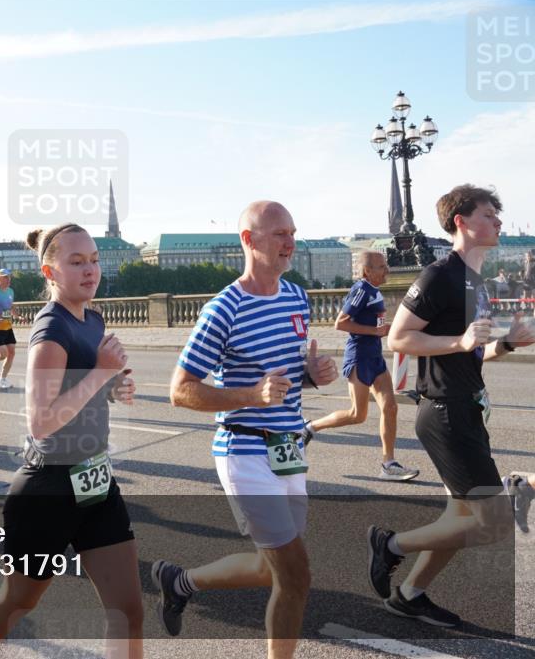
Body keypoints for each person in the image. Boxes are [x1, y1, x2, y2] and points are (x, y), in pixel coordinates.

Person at [151, 201, 337, 659]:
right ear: (248, 241)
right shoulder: (224, 309)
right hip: (245, 454)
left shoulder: (297, 297)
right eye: (278, 234)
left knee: (267, 569)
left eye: (292, 232)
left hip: (289, 450)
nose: (290, 242)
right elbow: (181, 391)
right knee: (295, 576)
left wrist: (312, 374)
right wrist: (252, 395)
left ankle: (181, 582)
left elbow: (284, 381)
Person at [0, 224, 141, 659]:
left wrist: (113, 384)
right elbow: (40, 421)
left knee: (128, 611)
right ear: (50, 271)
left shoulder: (92, 319)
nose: (90, 269)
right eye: (76, 262)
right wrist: (100, 372)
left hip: (96, 481)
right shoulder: (50, 329)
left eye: (94, 259)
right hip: (49, 489)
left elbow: (84, 387)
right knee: (18, 600)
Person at [370, 185, 535, 627]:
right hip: (445, 411)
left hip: (466, 408)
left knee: (458, 521)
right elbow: (399, 338)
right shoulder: (440, 274)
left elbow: (472, 352)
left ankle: (409, 595)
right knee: (494, 522)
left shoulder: (476, 282)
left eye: (498, 214)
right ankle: (390, 545)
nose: (497, 221)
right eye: (487, 214)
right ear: (460, 221)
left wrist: (506, 343)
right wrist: (459, 340)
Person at [301, 251, 418, 481]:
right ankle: (310, 427)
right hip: (359, 357)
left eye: (386, 266)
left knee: (390, 407)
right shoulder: (361, 289)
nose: (387, 271)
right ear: (368, 271)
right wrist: (375, 331)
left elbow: (373, 323)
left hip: (375, 356)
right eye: (382, 267)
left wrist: (390, 328)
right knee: (357, 415)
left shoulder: (373, 291)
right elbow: (341, 323)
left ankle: (388, 464)